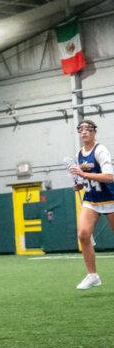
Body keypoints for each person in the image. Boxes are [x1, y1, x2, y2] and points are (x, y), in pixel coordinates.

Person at [69, 118, 114, 290]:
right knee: (83, 234)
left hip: (110, 198)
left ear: (94, 132)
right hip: (92, 199)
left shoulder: (100, 150)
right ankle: (93, 275)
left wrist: (84, 175)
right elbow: (84, 177)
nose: (84, 132)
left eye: (87, 129)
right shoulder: (79, 154)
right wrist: (80, 183)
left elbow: (110, 177)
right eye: (80, 129)